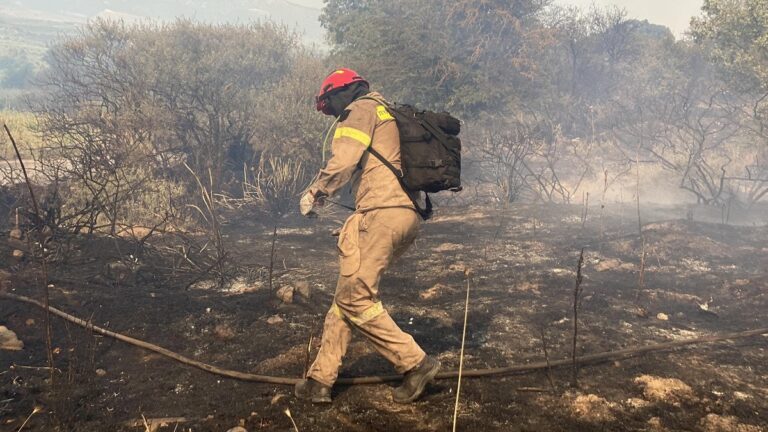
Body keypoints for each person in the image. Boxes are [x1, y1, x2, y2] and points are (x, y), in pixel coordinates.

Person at [295, 68, 439, 404]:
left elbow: (344, 161)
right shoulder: (386, 111)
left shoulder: (359, 110)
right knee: (346, 295)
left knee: (356, 298)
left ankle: (416, 363)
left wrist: (316, 192)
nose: (331, 114)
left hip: (380, 213)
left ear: (340, 92)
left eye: (329, 106)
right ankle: (320, 381)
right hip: (403, 215)